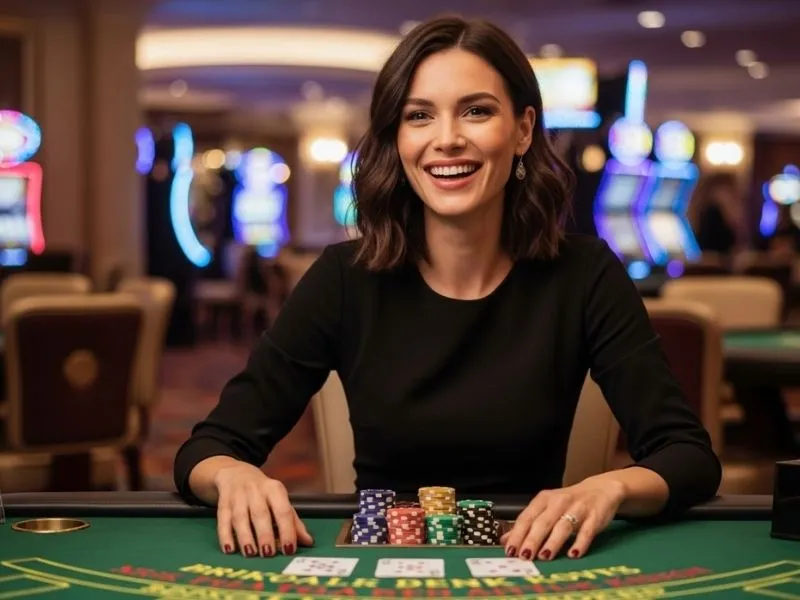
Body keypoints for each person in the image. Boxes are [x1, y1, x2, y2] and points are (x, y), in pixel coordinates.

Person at [174, 15, 721, 564]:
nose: (447, 139)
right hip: (378, 570)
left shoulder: (585, 275)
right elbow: (207, 448)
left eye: (476, 111)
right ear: (397, 137)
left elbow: (687, 455)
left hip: (533, 565)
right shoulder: (345, 278)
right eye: (419, 116)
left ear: (524, 129)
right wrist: (234, 475)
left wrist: (613, 486)